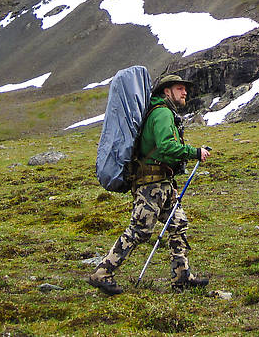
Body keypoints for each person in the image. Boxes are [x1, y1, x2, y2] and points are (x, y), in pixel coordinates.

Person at [88, 74, 211, 295]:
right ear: (167, 92)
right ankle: (102, 272)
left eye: (185, 89)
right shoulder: (162, 113)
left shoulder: (163, 112)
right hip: (151, 185)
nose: (185, 93)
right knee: (140, 230)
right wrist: (195, 152)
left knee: (178, 224)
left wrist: (170, 181)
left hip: (161, 183)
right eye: (180, 88)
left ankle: (182, 275)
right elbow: (166, 147)